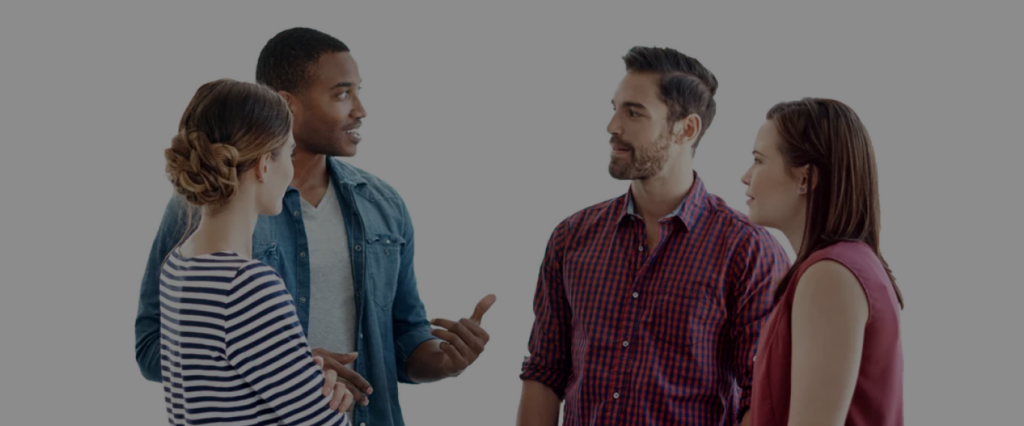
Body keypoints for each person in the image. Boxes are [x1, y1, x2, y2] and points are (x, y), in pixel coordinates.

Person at [135, 28, 496, 426]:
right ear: (286, 105)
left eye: (359, 91)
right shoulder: (200, 210)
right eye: (342, 93)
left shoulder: (385, 206)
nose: (360, 109)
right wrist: (287, 364)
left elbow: (403, 337)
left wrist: (446, 362)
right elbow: (159, 349)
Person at [516, 46, 791, 426]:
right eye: (614, 108)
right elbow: (544, 372)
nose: (612, 126)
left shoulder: (748, 250)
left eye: (633, 112)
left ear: (686, 129)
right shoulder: (571, 238)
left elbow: (761, 396)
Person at [159, 78, 352, 425]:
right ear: (265, 165)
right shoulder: (246, 285)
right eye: (288, 153)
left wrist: (300, 374)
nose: (291, 169)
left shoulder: (177, 265)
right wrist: (333, 400)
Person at [743, 98, 904, 426]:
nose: (745, 177)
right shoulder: (844, 266)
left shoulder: (830, 275)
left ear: (806, 178)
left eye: (759, 161)